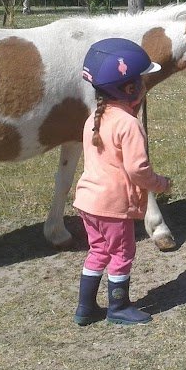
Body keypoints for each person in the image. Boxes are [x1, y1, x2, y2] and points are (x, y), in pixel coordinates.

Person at [73, 38, 171, 326]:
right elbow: (138, 170)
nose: (143, 85)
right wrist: (160, 183)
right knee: (122, 253)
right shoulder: (129, 124)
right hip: (112, 207)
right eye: (141, 81)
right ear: (129, 89)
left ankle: (85, 308)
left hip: (88, 202)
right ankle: (118, 306)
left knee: (98, 251)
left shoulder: (93, 119)